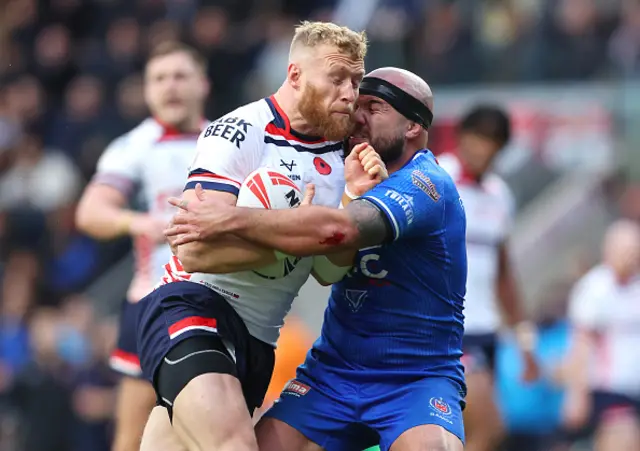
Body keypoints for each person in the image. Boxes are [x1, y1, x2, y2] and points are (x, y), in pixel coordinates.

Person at [166, 67, 468, 451]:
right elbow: (324, 269)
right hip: (334, 373)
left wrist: (228, 217)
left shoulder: (426, 184)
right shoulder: (342, 170)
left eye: (374, 108)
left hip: (415, 377)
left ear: (412, 126)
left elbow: (338, 232)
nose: (357, 116)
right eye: (356, 105)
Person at [135, 21, 387, 451]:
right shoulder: (239, 131)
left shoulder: (345, 161)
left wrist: (351, 200)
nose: (349, 93)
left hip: (258, 342)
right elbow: (196, 251)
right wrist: (296, 230)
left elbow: (327, 272)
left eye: (356, 80)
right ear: (295, 75)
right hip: (193, 308)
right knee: (234, 445)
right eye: (336, 78)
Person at [74, 41, 210, 451]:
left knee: (213, 429)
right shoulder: (134, 146)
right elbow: (90, 211)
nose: (170, 86)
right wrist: (138, 222)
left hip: (220, 299)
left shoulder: (229, 140)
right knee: (131, 434)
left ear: (203, 83)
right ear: (147, 90)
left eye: (180, 75)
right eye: (159, 78)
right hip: (151, 302)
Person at [437, 106, 539, 451]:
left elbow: (504, 274)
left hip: (487, 331)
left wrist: (525, 342)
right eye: (479, 138)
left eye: (493, 142)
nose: (484, 149)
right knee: (489, 427)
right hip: (447, 330)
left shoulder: (500, 196)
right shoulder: (436, 177)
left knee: (458, 435)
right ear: (461, 136)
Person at [564, 220, 640, 451]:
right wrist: (576, 395)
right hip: (611, 389)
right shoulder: (595, 290)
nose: (631, 256)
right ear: (609, 251)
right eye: (626, 250)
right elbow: (582, 345)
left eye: (635, 250)